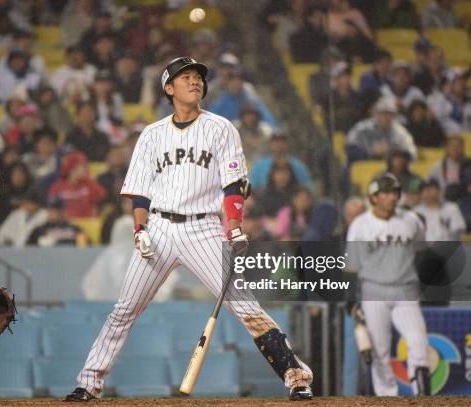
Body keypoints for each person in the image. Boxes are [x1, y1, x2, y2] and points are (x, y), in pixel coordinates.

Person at [65, 57, 313, 402]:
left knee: (246, 307)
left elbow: (234, 184)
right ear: (169, 88)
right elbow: (139, 190)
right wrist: (140, 229)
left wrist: (235, 227)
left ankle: (297, 377)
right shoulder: (151, 135)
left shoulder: (221, 128)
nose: (195, 81)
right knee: (124, 309)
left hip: (205, 230)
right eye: (186, 77)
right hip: (160, 229)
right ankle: (89, 383)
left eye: (198, 77)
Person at [346, 173, 430, 396]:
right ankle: (387, 396)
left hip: (406, 291)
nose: (391, 197)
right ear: (374, 197)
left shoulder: (410, 220)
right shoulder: (360, 225)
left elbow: (421, 251)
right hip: (373, 290)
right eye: (385, 193)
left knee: (418, 340)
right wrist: (351, 300)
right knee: (378, 351)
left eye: (394, 192)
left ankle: (422, 394)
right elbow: (352, 266)